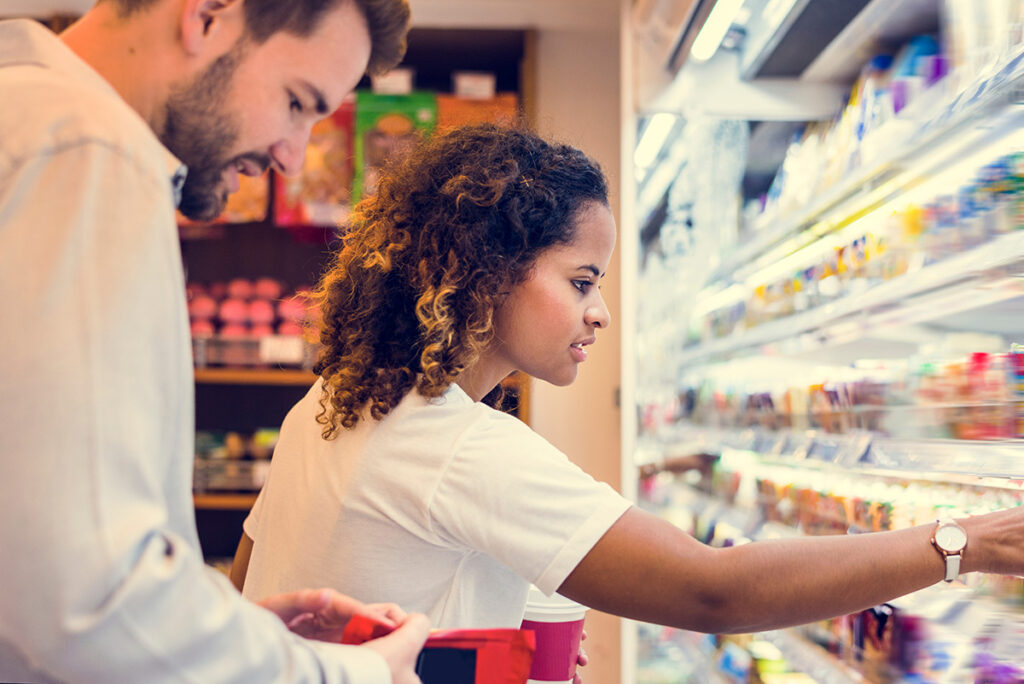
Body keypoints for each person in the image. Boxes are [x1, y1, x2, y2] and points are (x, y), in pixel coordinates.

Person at [232, 124, 1024, 667]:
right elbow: (714, 588)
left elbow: (256, 576)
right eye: (580, 282)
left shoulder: (334, 403)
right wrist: (963, 543)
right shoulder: (458, 445)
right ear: (486, 269)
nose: (599, 312)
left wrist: (477, 647)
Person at [0, 0, 431, 681]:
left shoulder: (21, 110)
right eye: (296, 103)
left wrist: (226, 632)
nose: (293, 157)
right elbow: (85, 600)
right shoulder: (88, 150)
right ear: (206, 15)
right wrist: (348, 675)